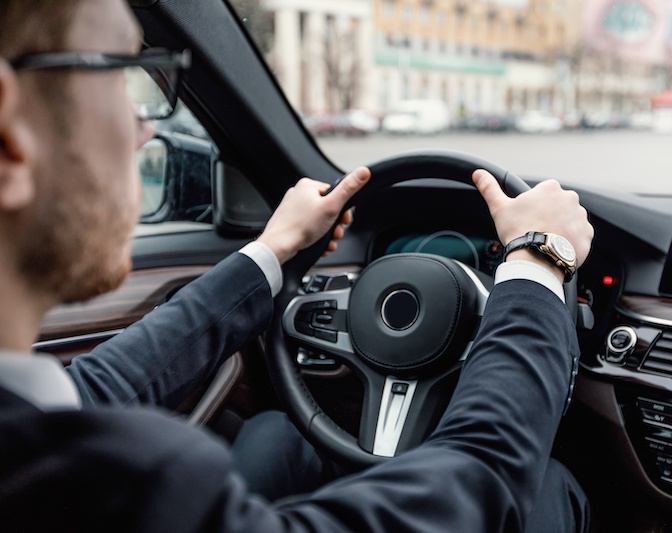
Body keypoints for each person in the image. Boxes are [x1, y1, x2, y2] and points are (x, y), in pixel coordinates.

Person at [0, 0, 595, 531]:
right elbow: (475, 490)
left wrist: (272, 251)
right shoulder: (124, 487)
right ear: (9, 134)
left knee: (271, 437)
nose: (146, 127)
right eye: (123, 74)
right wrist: (539, 261)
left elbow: (91, 390)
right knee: (549, 491)